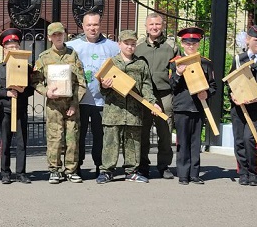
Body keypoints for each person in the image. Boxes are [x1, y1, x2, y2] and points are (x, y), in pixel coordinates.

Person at [96, 29, 160, 184]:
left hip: (133, 111)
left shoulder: (140, 64)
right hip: (114, 111)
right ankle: (106, 171)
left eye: (132, 44)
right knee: (110, 143)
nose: (130, 47)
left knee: (133, 142)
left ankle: (132, 171)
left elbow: (146, 86)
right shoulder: (110, 64)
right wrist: (104, 85)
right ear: (119, 44)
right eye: (126, 44)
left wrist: (152, 102)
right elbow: (102, 89)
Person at [66, 12, 119, 178]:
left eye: (95, 25)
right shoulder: (71, 46)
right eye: (89, 25)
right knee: (77, 136)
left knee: (101, 137)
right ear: (83, 26)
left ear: (100, 25)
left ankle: (101, 167)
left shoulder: (112, 47)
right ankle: (77, 166)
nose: (92, 28)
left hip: (103, 101)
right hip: (79, 100)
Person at [33, 22, 86, 184]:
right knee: (54, 138)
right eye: (54, 35)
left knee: (72, 138)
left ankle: (71, 170)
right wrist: (45, 91)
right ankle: (54, 170)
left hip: (71, 105)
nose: (57, 37)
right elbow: (35, 81)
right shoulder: (44, 58)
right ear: (49, 37)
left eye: (60, 34)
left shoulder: (73, 55)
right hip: (53, 106)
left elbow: (81, 82)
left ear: (64, 35)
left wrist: (75, 104)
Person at [226, 25, 257, 187]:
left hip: (256, 106)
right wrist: (232, 95)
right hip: (239, 106)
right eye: (256, 40)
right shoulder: (238, 59)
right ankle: (243, 172)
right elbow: (230, 81)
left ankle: (253, 172)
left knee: (250, 138)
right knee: (239, 140)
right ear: (247, 39)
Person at [169, 27, 216, 185]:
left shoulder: (206, 63)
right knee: (182, 141)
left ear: (198, 44)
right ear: (182, 44)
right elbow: (171, 87)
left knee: (196, 142)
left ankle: (194, 174)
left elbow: (213, 85)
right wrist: (178, 74)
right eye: (188, 43)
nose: (191, 46)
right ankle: (183, 174)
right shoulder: (175, 63)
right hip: (182, 107)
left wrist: (207, 93)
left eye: (194, 43)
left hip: (198, 106)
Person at [134, 13, 177, 179]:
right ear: (146, 27)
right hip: (143, 96)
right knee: (143, 132)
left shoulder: (170, 46)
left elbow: (176, 69)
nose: (154, 27)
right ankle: (143, 166)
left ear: (162, 25)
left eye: (157, 24)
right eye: (151, 24)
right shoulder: (138, 46)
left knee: (165, 131)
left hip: (164, 94)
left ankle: (164, 165)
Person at [0, 28, 34, 184]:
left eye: (15, 46)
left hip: (21, 110)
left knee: (22, 143)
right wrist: (6, 93)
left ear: (19, 47)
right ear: (4, 49)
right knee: (5, 142)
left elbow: (31, 89)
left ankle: (21, 172)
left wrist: (23, 90)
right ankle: (5, 173)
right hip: (6, 110)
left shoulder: (26, 67)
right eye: (9, 47)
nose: (13, 49)